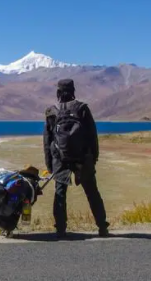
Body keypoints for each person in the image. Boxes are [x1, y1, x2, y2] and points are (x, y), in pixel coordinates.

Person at [43, 79, 109, 238]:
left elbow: (47, 140)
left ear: (58, 92)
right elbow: (92, 136)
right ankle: (102, 227)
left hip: (60, 158)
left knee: (60, 193)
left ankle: (60, 229)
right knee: (92, 192)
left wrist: (50, 163)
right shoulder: (82, 109)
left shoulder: (52, 111)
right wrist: (93, 158)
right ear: (73, 91)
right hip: (82, 158)